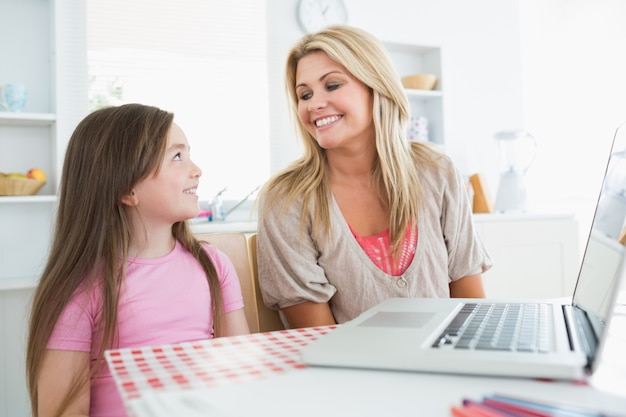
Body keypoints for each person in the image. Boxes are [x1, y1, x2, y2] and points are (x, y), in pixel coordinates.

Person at [256, 25, 493, 329]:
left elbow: (471, 307)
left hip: (446, 366)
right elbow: (320, 339)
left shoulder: (437, 171)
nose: (313, 104)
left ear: (375, 86)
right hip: (350, 373)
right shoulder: (286, 200)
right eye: (305, 94)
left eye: (332, 85)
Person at [26, 103, 250, 417]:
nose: (196, 169)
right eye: (176, 156)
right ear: (127, 188)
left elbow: (244, 378)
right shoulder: (80, 288)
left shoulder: (213, 265)